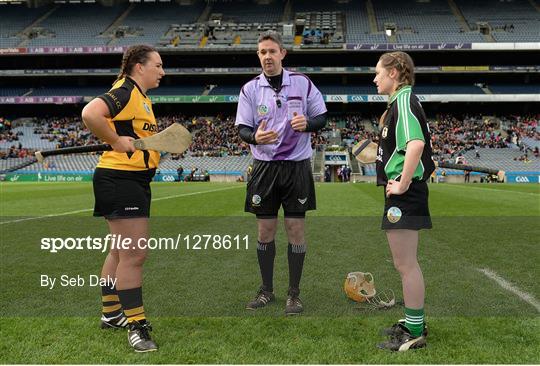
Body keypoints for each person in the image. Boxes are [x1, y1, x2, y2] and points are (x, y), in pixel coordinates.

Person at [235, 31, 327, 315]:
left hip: (297, 166)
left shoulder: (302, 82)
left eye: (272, 51)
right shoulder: (250, 89)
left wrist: (308, 123)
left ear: (282, 54)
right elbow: (242, 128)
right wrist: (255, 138)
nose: (267, 57)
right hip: (264, 168)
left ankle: (294, 294)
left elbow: (321, 116)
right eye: (262, 52)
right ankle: (266, 290)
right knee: (265, 231)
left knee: (296, 230)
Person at [81, 44, 165, 353]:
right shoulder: (127, 90)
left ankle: (112, 314)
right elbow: (91, 113)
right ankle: (136, 326)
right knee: (134, 255)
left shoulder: (141, 98)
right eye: (157, 65)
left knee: (119, 252)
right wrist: (115, 140)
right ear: (139, 67)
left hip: (130, 179)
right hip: (120, 179)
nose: (162, 71)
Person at [372, 51, 435, 351]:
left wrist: (403, 183)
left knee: (406, 264)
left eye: (378, 73)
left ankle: (415, 333)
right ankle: (413, 323)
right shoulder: (400, 104)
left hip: (405, 194)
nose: (375, 78)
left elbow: (417, 143)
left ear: (394, 73)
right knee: (404, 263)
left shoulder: (404, 102)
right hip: (404, 193)